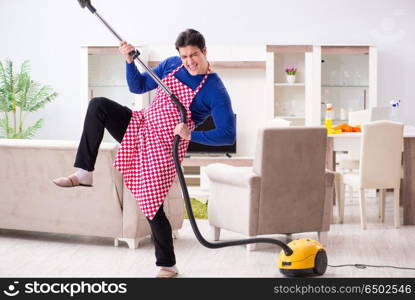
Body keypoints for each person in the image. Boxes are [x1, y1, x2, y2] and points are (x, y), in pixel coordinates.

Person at [53, 29, 236, 278]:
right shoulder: (171, 65)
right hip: (140, 126)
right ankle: (84, 172)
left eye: (194, 55)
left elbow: (227, 134)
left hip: (163, 148)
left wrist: (191, 135)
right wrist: (129, 61)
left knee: (150, 204)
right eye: (184, 56)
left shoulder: (214, 89)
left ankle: (168, 265)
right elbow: (137, 87)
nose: (189, 62)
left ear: (204, 52)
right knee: (98, 106)